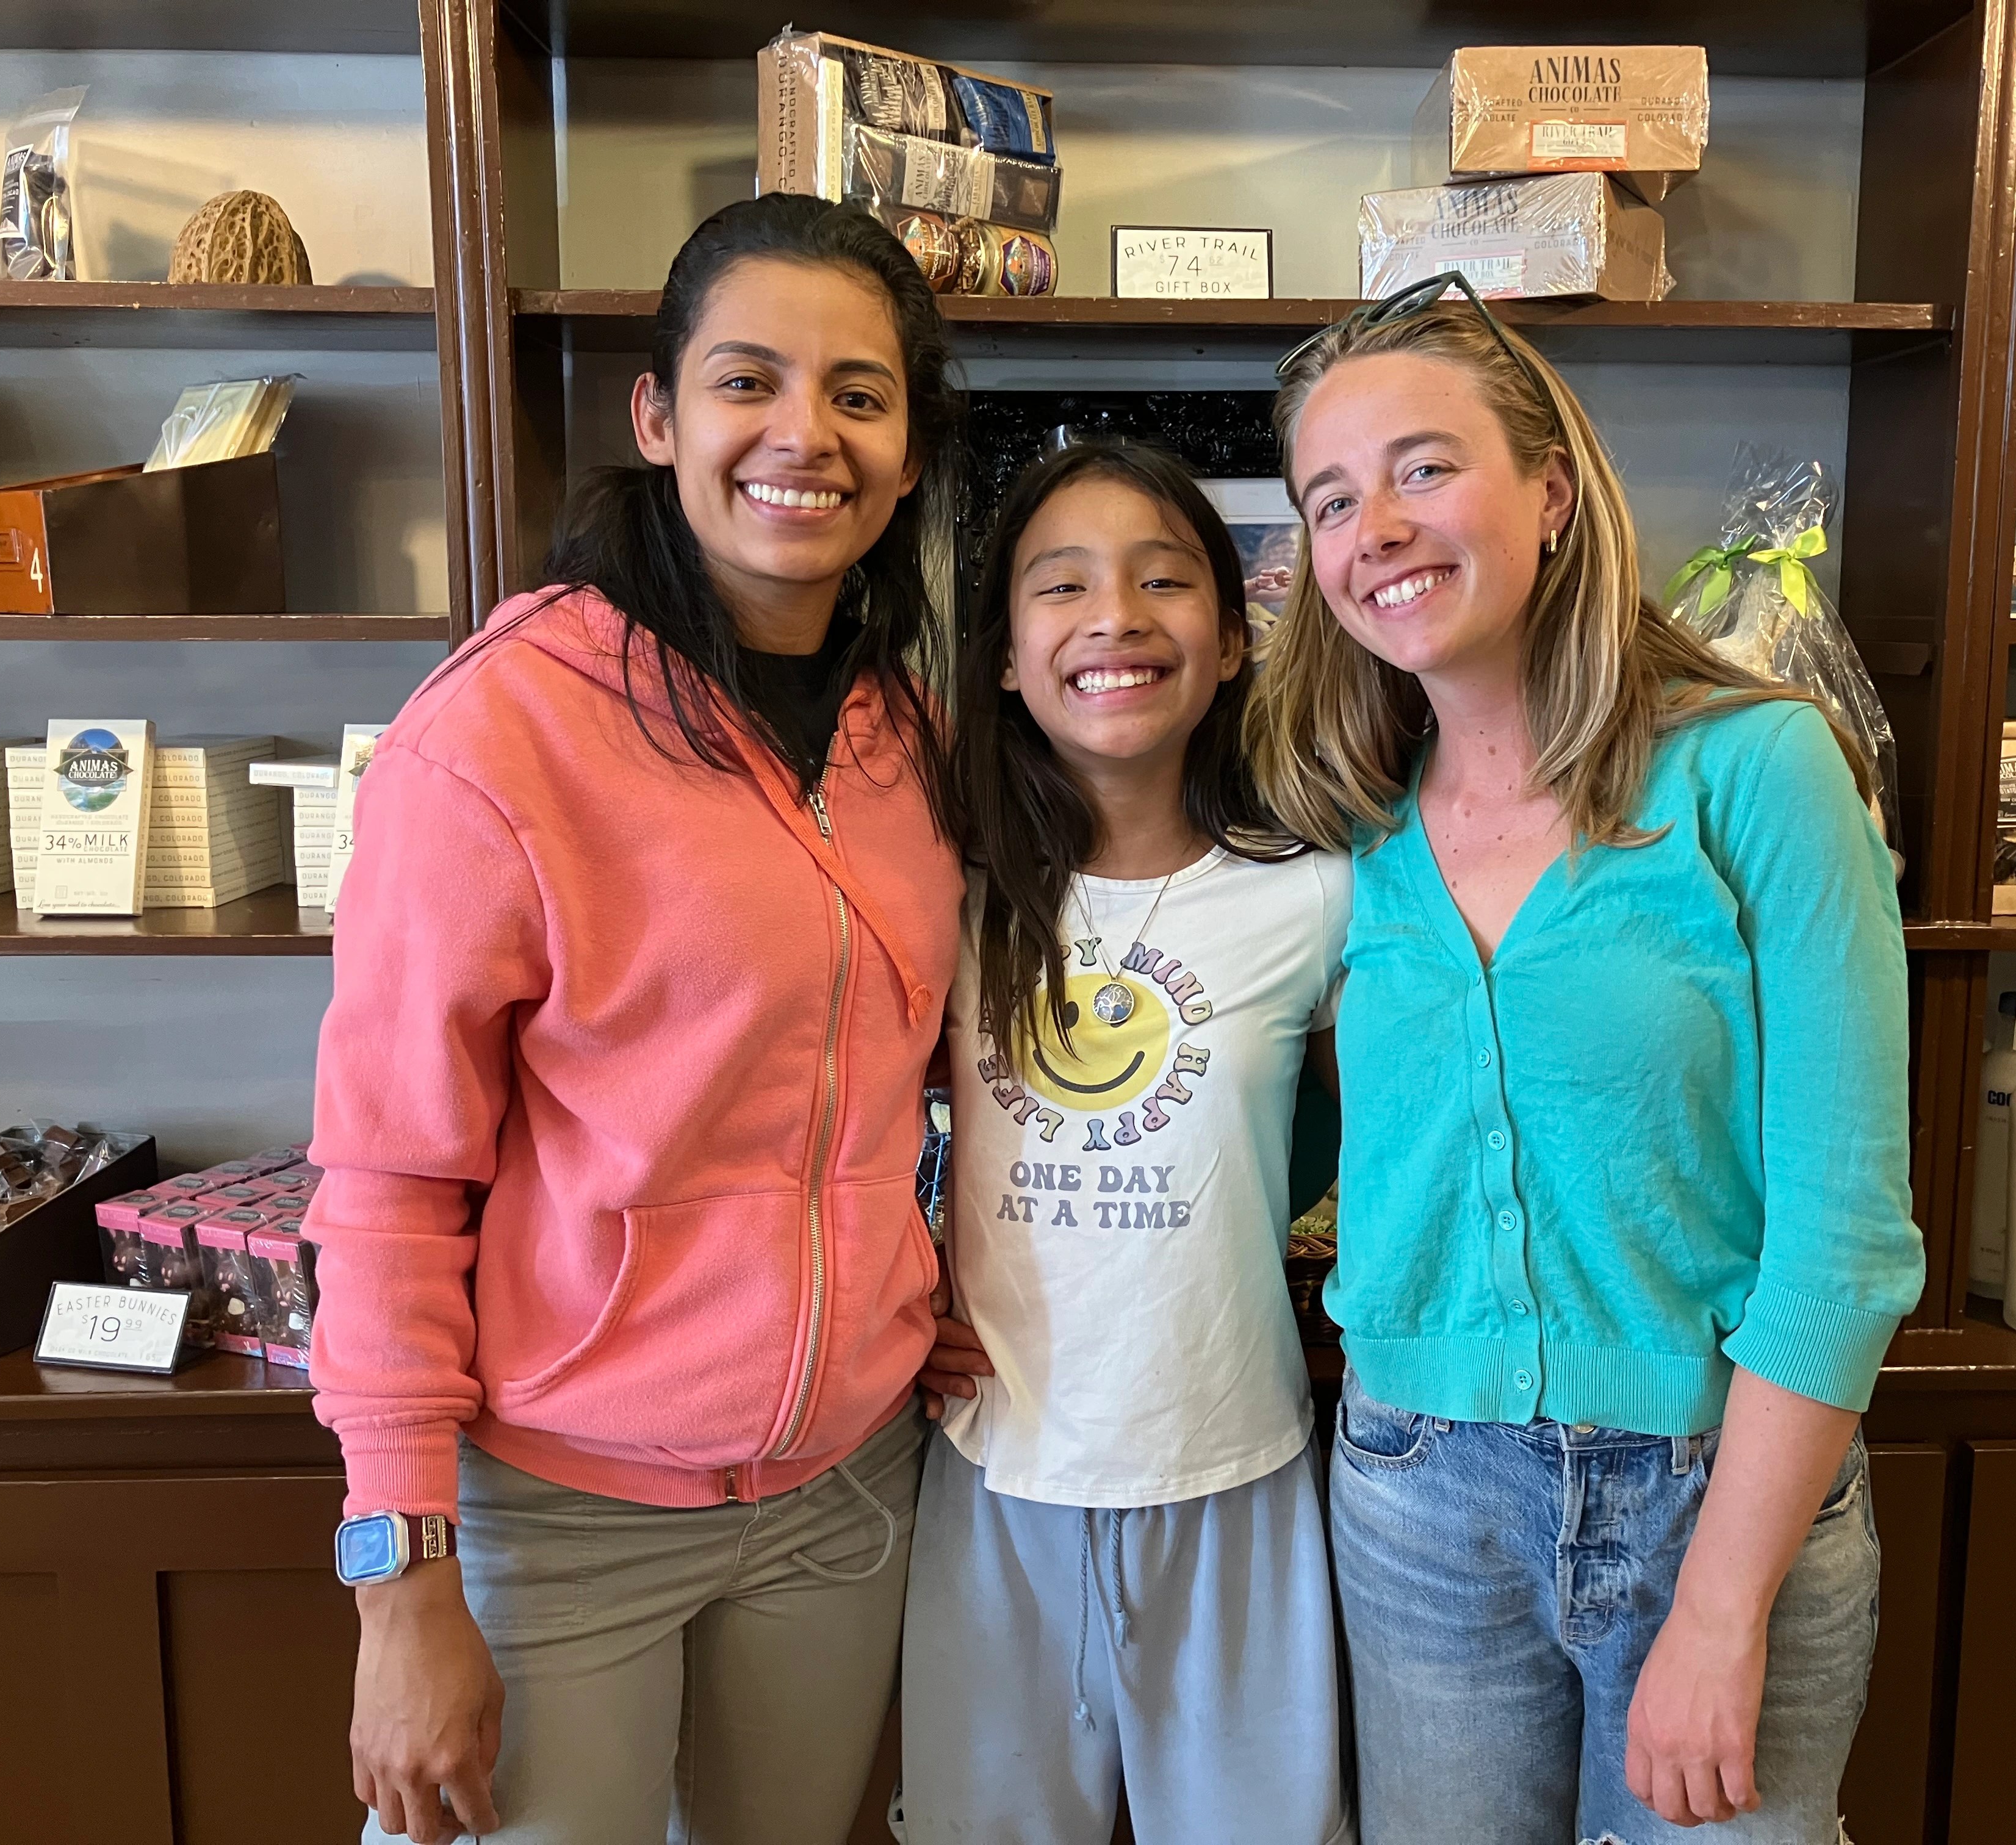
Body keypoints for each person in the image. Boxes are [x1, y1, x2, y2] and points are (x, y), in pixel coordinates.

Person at [307, 194, 965, 1845]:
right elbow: (388, 1181)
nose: (803, 435)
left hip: (843, 1494)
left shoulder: (911, 730)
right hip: (557, 1514)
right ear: (659, 417)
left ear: (904, 452)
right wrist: (401, 1588)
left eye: (860, 396)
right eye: (748, 381)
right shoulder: (504, 732)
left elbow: (899, 1088)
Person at [1251, 275, 1925, 1845]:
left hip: (1721, 1492)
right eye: (1333, 498)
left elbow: (1845, 1240)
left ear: (1551, 491)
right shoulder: (1344, 826)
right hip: (1416, 1502)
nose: (1379, 529)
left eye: (1426, 467)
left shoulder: (1762, 770)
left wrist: (1720, 1611)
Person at [902, 439, 1353, 1845]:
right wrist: (887, 1299)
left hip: (1237, 1475)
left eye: (1165, 580)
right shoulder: (939, 894)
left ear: (1231, 644)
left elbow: (1362, 1141)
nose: (1117, 617)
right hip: (993, 1484)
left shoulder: (1316, 896)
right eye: (1063, 586)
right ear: (1005, 657)